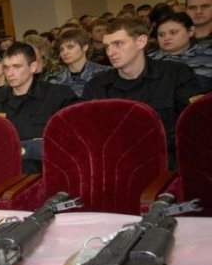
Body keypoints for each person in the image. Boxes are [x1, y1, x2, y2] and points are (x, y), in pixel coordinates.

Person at [83, 17, 206, 168]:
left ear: (141, 42)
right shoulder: (96, 85)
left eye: (118, 44)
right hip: (117, 166)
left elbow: (194, 125)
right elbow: (90, 135)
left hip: (170, 163)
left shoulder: (176, 75)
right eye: (107, 46)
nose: (110, 52)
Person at [0, 42, 78, 174]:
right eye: (6, 67)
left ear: (33, 67)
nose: (10, 73)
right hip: (4, 168)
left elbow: (71, 142)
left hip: (46, 170)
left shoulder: (59, 95)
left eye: (16, 67)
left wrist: (26, 149)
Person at [148, 12, 212, 90]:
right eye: (161, 35)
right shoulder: (149, 60)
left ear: (190, 32)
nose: (166, 38)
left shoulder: (208, 56)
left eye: (173, 33)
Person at [48, 29, 111, 96]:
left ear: (85, 47)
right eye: (61, 49)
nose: (65, 52)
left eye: (70, 47)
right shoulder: (55, 79)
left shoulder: (105, 73)